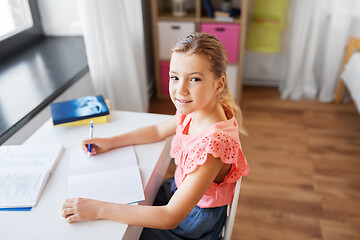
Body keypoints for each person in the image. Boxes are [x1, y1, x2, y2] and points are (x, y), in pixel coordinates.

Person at [61, 32, 249, 240]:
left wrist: (97, 209)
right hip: (176, 192)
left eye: (194, 79)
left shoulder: (213, 146)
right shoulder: (198, 109)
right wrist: (110, 142)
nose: (181, 90)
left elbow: (170, 217)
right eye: (175, 77)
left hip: (191, 221)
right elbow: (157, 131)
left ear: (219, 84)